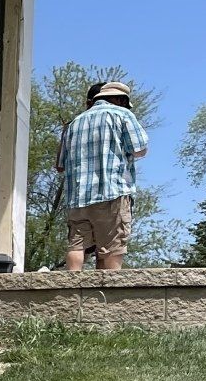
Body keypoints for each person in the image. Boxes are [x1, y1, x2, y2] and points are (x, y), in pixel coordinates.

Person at [56, 80, 149, 270]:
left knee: (76, 245)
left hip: (78, 197)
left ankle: (71, 284)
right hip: (112, 192)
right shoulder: (122, 114)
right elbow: (139, 148)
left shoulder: (74, 123)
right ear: (120, 99)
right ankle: (111, 287)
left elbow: (60, 165)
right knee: (113, 248)